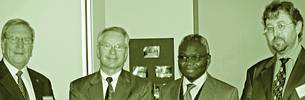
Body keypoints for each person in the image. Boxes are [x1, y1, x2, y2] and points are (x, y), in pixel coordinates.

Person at [241, 1, 305, 100]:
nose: (275, 34)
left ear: (298, 27)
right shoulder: (254, 73)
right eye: (270, 28)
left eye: (281, 26)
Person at [69, 26, 153, 100]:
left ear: (126, 53)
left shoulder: (142, 88)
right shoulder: (79, 88)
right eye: (107, 46)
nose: (112, 52)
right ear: (98, 51)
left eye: (118, 47)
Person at [160, 34, 239, 100]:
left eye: (195, 57)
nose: (189, 62)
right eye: (183, 57)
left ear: (208, 59)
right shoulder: (166, 91)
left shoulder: (227, 95)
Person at [0, 18, 55, 100]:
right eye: (14, 39)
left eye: (26, 40)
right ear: (3, 44)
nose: (20, 45)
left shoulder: (43, 82)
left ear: (32, 47)